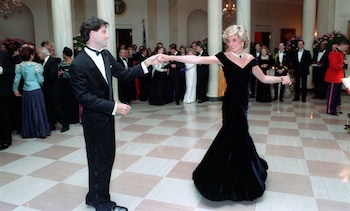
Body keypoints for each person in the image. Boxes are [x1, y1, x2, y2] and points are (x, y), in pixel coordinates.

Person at [159, 25, 291, 202]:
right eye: (229, 41)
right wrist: (169, 56)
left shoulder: (251, 59)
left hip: (243, 103)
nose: (231, 43)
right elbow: (197, 60)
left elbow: (264, 78)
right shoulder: (223, 57)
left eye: (234, 40)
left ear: (242, 41)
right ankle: (225, 175)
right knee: (234, 134)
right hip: (230, 103)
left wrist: (281, 78)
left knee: (239, 135)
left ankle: (243, 171)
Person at [69, 16, 159, 211]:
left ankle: (94, 196)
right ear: (92, 34)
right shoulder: (79, 64)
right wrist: (113, 107)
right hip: (94, 119)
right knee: (99, 160)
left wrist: (147, 63)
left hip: (106, 119)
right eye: (104, 31)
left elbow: (125, 75)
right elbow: (83, 97)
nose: (108, 35)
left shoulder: (107, 55)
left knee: (105, 158)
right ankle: (103, 203)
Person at [13, 46, 51, 138]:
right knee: (38, 110)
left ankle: (29, 131)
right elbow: (40, 79)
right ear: (31, 56)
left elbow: (16, 80)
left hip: (26, 90)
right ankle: (41, 130)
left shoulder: (19, 66)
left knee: (28, 111)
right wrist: (41, 82)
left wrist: (15, 89)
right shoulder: (37, 66)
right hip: (36, 89)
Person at [37, 47, 69, 132]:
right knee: (49, 107)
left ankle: (65, 124)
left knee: (57, 107)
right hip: (47, 89)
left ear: (43, 53)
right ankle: (51, 124)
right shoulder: (42, 62)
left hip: (53, 89)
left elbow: (52, 75)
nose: (38, 55)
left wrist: (43, 81)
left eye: (39, 53)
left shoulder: (52, 61)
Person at [324, 38, 349, 116]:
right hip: (333, 77)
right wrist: (344, 65)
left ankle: (334, 108)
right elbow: (334, 65)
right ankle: (330, 109)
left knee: (337, 95)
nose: (347, 49)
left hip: (339, 77)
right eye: (346, 47)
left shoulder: (341, 53)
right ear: (342, 45)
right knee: (332, 94)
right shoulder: (333, 53)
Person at [58, 47, 79, 124]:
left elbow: (74, 74)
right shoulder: (62, 63)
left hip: (71, 85)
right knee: (65, 101)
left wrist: (64, 73)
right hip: (63, 85)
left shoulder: (74, 63)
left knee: (72, 101)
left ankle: (74, 118)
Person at [0, 48, 15, 149]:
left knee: (4, 116)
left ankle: (6, 140)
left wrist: (1, 70)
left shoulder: (4, 55)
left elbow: (12, 70)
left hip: (2, 91)